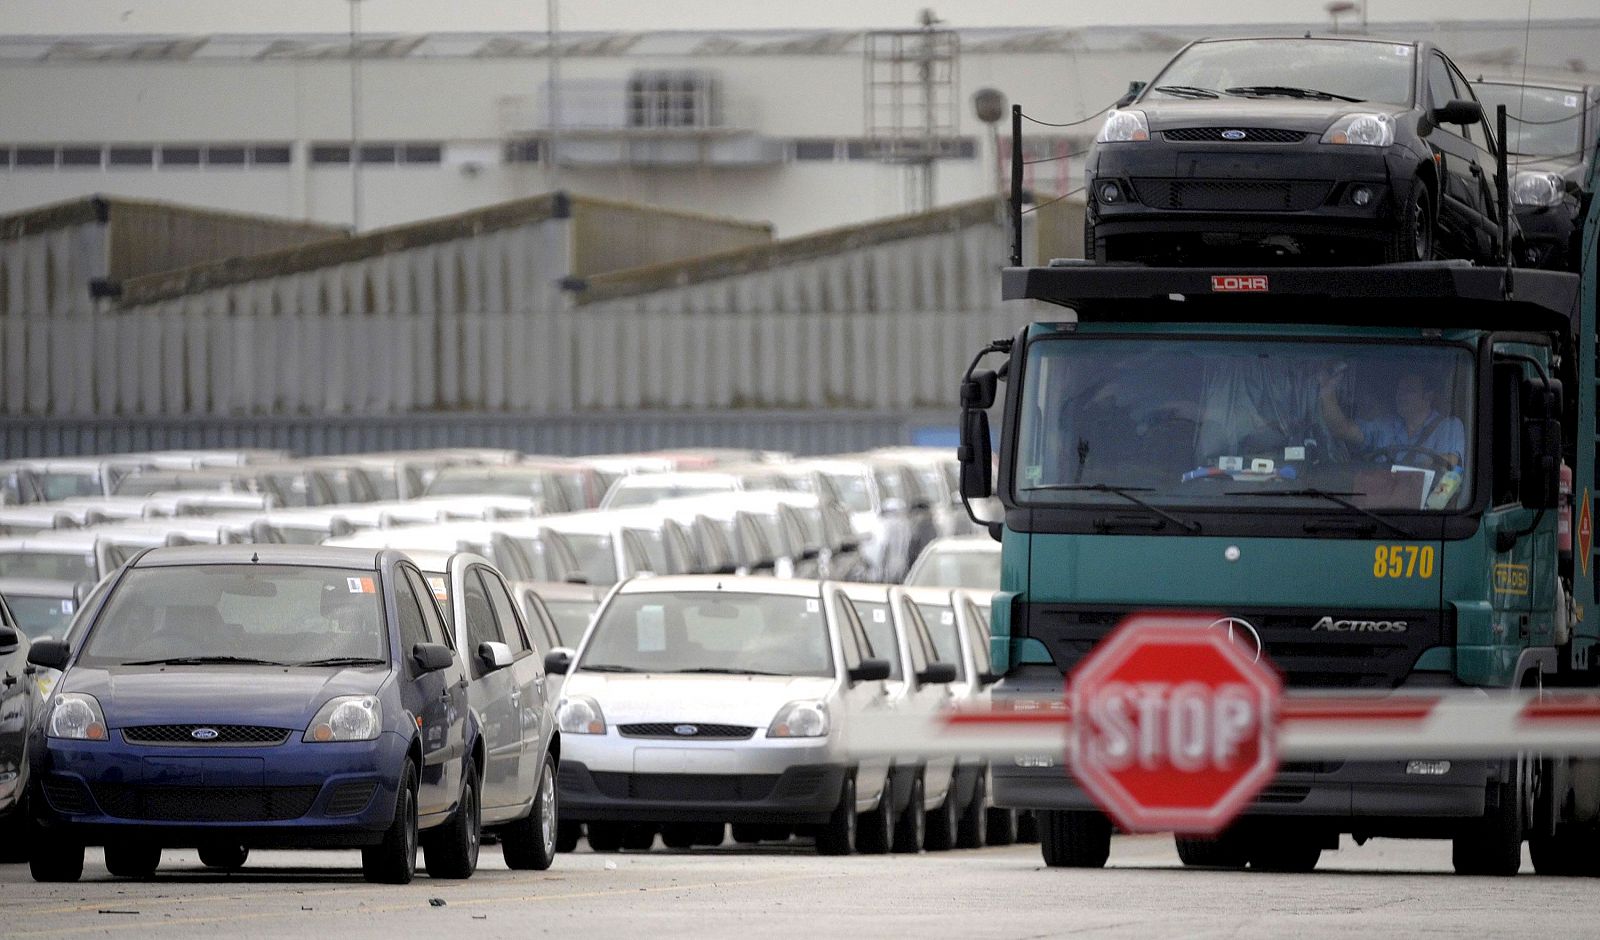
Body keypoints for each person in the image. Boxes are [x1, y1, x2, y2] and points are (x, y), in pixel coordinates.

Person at [1318, 364, 1466, 469]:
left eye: (1408, 390)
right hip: (1381, 508)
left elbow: (1450, 465)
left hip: (1426, 510)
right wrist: (1327, 391)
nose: (1400, 395)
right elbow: (1342, 429)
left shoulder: (1449, 426)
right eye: (1399, 390)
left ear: (1428, 396)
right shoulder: (1386, 425)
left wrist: (1421, 465)